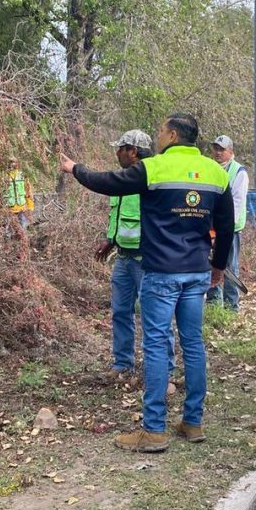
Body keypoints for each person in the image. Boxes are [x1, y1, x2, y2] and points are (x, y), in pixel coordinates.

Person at [60, 114, 234, 453]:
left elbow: (107, 181)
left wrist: (74, 168)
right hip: (197, 271)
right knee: (193, 343)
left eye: (161, 131)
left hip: (162, 272)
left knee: (155, 343)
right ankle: (192, 422)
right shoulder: (216, 172)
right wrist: (218, 266)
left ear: (172, 134)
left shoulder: (155, 168)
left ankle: (154, 430)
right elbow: (225, 227)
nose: (158, 137)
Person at [95, 130, 175, 392]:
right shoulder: (122, 181)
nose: (116, 153)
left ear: (133, 151)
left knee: (156, 317)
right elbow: (118, 215)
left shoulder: (150, 178)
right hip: (124, 258)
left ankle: (166, 370)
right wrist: (111, 239)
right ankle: (122, 364)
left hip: (148, 261)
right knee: (120, 312)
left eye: (120, 149)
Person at [206, 135, 248, 312]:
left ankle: (231, 306)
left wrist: (224, 230)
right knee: (210, 266)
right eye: (216, 148)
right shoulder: (208, 169)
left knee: (230, 268)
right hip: (209, 228)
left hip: (230, 229)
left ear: (231, 152)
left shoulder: (239, 172)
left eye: (221, 149)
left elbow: (237, 204)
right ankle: (214, 303)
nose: (217, 152)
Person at [5, 158, 34, 231]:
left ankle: (23, 240)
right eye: (11, 162)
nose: (13, 164)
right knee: (7, 229)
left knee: (23, 228)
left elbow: (28, 191)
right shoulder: (4, 176)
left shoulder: (22, 175)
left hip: (22, 207)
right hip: (9, 208)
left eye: (14, 162)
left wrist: (30, 206)